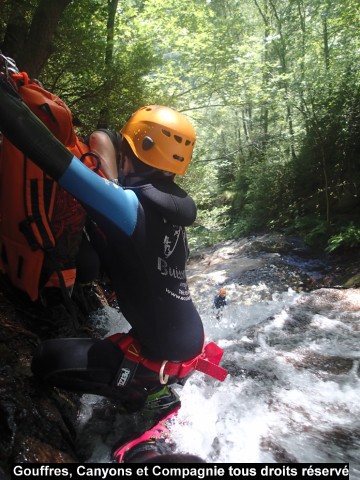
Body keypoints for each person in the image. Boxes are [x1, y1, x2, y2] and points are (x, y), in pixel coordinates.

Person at [21, 105, 227, 461]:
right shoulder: (169, 209)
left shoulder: (127, 205)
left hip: (159, 358)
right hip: (183, 344)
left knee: (46, 360)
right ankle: (149, 392)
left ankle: (148, 407)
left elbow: (48, 153)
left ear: (131, 153)